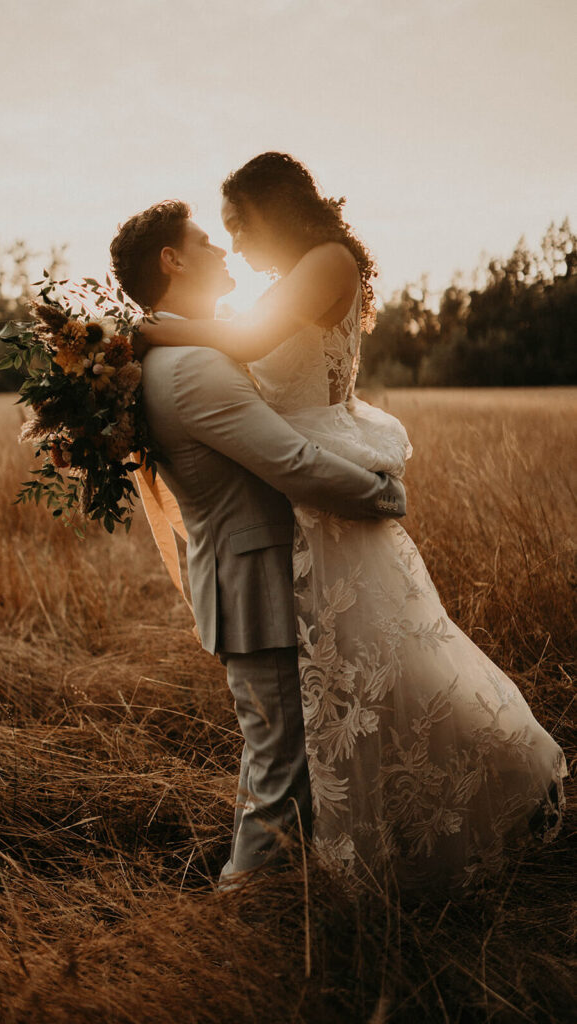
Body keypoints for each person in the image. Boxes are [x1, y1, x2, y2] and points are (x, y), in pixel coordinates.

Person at [140, 154, 567, 892]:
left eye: (239, 226)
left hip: (324, 478)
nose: (236, 246)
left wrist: (154, 332)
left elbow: (241, 348)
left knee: (374, 682)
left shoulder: (326, 261)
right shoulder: (292, 278)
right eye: (224, 234)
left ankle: (455, 812)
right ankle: (348, 851)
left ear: (272, 209)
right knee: (353, 693)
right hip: (299, 495)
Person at [109, 200, 407, 890]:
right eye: (206, 242)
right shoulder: (188, 369)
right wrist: (384, 493)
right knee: (279, 765)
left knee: (280, 754)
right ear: (171, 260)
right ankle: (241, 909)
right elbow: (292, 463)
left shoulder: (178, 353)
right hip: (255, 582)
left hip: (251, 580)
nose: (221, 252)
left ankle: (281, 898)